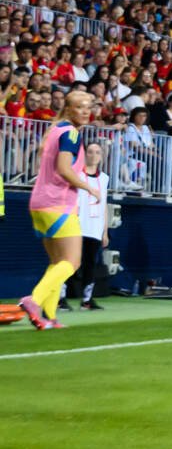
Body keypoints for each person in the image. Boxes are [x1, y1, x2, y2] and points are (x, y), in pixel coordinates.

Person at [17, 90, 103, 330]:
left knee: (57, 262)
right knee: (72, 262)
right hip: (59, 203)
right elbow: (64, 169)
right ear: (69, 109)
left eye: (89, 106)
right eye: (80, 107)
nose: (86, 111)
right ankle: (33, 300)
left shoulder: (55, 130)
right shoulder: (72, 134)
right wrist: (90, 188)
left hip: (39, 202)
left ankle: (51, 316)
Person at [69, 140, 110, 310]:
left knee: (90, 263)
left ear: (101, 156)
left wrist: (105, 232)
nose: (94, 155)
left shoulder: (104, 178)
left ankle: (87, 299)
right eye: (91, 152)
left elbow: (104, 205)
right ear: (85, 154)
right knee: (70, 262)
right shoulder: (76, 174)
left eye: (97, 152)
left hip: (94, 227)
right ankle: (60, 298)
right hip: (76, 225)